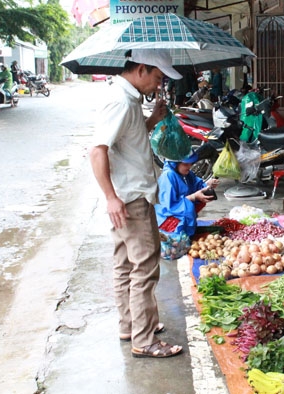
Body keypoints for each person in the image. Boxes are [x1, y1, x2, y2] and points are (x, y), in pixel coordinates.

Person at [89, 49, 184, 359]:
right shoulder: (119, 101)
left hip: (126, 196)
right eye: (157, 78)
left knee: (125, 265)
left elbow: (126, 139)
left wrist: (153, 119)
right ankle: (145, 340)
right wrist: (111, 198)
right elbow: (98, 151)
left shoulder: (127, 100)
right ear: (141, 69)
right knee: (145, 267)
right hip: (130, 198)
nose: (158, 86)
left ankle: (130, 326)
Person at [154, 150, 219, 237]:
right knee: (177, 240)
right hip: (167, 217)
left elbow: (196, 185)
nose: (189, 166)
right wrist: (193, 197)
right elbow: (170, 206)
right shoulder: (168, 176)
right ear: (175, 163)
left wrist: (207, 185)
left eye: (190, 163)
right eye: (185, 164)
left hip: (182, 212)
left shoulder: (187, 174)